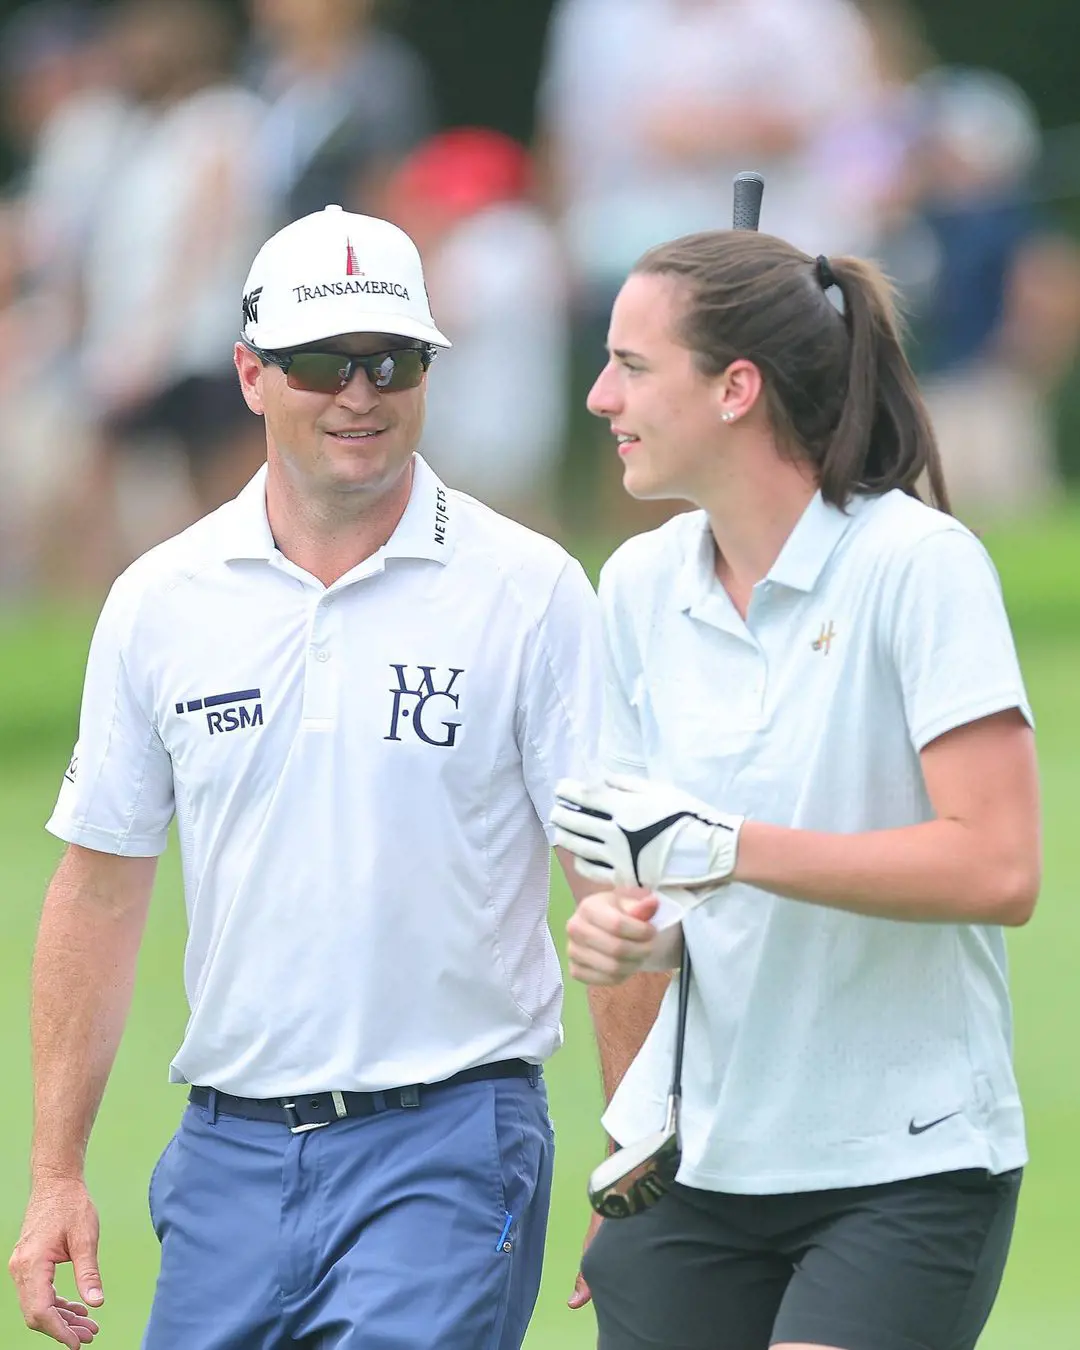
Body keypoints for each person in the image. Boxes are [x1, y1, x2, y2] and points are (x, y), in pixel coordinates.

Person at [8, 205, 602, 1350]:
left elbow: (609, 882)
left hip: (451, 1140)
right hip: (226, 1155)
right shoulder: (159, 601)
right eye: (323, 362)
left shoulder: (528, 590)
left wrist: (636, 1146)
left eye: (394, 360)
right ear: (249, 372)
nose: (360, 393)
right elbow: (97, 887)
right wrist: (53, 1173)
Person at [550, 227, 1041, 1350]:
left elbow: (998, 866)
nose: (595, 395)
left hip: (906, 1158)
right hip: (703, 1160)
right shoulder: (634, 586)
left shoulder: (916, 566)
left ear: (735, 388)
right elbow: (660, 876)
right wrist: (636, 933)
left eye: (630, 366)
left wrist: (723, 846)